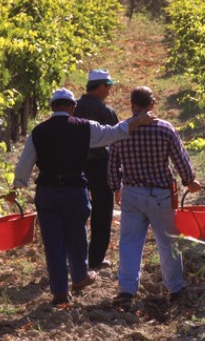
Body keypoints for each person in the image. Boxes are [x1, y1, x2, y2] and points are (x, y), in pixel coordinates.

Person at [12, 88, 156, 306]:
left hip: (47, 192)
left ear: (52, 108)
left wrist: (16, 187)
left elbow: (24, 165)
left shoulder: (38, 132)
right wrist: (138, 121)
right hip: (73, 190)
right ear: (72, 107)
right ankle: (80, 277)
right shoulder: (83, 127)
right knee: (77, 234)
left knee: (53, 243)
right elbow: (113, 132)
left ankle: (59, 293)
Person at [107, 86, 201, 305]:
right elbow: (180, 160)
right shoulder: (165, 129)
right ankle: (175, 288)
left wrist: (115, 188)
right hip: (161, 195)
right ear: (151, 105)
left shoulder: (121, 131)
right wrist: (189, 181)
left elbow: (112, 165)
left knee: (129, 242)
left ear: (132, 105)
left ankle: (126, 290)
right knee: (168, 242)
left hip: (131, 193)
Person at [73, 69, 119, 270]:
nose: (109, 91)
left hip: (75, 166)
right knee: (102, 212)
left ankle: (75, 255)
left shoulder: (72, 108)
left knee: (76, 212)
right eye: (108, 87)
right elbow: (118, 140)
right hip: (101, 167)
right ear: (100, 87)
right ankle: (96, 258)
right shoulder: (105, 112)